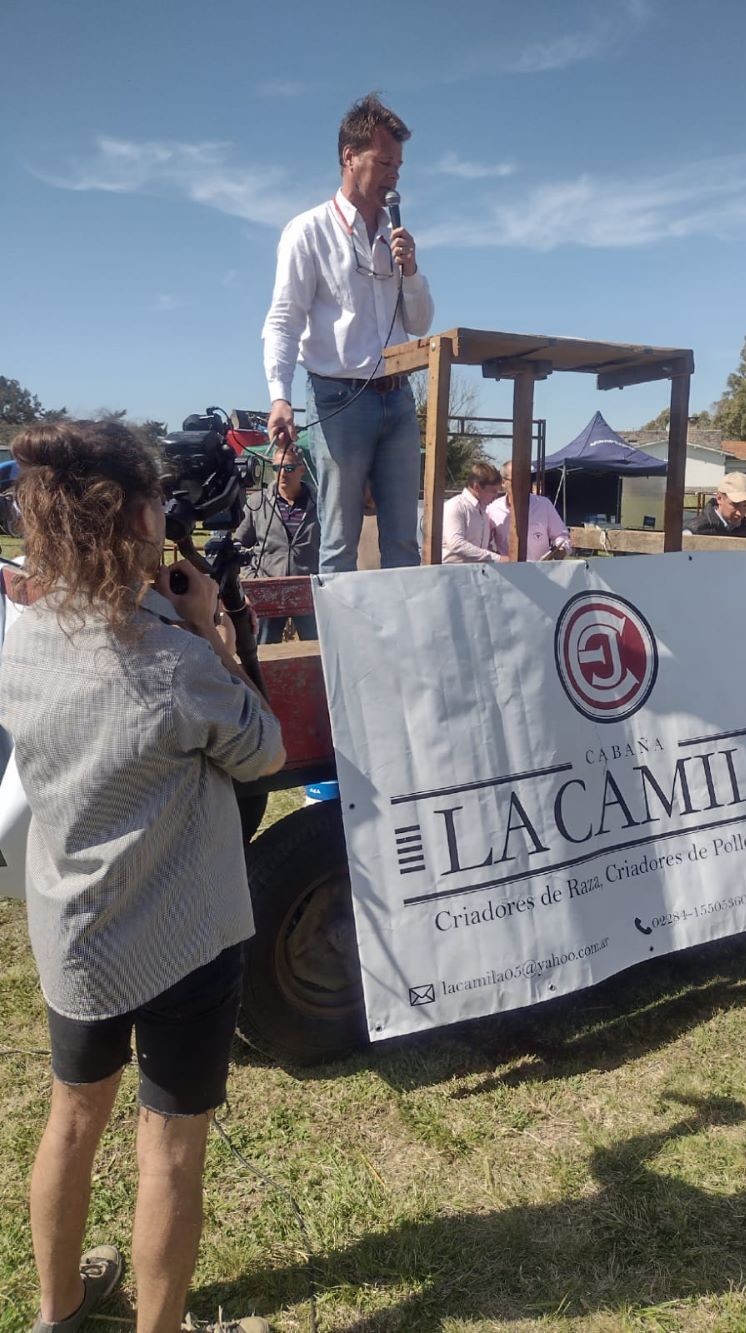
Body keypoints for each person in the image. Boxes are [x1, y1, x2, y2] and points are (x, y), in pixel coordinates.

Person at [0, 421, 285, 1333]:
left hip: (75, 931)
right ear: (131, 519)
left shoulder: (23, 639)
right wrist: (212, 632)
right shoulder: (172, 664)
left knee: (72, 1120)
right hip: (183, 936)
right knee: (169, 1150)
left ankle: (58, 1312)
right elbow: (264, 752)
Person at [262, 92, 433, 574]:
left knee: (404, 542)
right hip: (337, 399)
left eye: (399, 166)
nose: (394, 175)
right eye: (384, 162)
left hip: (399, 397)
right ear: (348, 157)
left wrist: (413, 270)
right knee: (339, 542)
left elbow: (420, 324)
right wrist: (279, 396)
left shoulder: (396, 235)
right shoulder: (308, 231)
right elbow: (283, 319)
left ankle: (404, 646)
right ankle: (341, 650)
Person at [234, 441, 320, 642]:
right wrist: (252, 580)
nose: (282, 473)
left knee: (318, 650)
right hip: (266, 591)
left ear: (302, 470)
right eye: (277, 468)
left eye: (288, 468)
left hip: (308, 591)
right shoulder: (257, 503)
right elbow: (238, 544)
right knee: (263, 651)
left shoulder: (320, 503)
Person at [486, 461, 572, 560]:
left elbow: (561, 534)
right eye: (516, 480)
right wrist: (497, 558)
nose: (522, 484)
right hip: (507, 572)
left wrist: (561, 548)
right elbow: (484, 544)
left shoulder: (543, 505)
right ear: (503, 482)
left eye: (525, 479)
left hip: (541, 571)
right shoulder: (493, 509)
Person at [442, 463, 507, 564]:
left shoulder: (483, 511)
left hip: (476, 573)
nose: (496, 496)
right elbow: (456, 544)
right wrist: (498, 558)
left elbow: (481, 548)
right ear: (477, 487)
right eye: (493, 491)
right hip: (452, 573)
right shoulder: (456, 506)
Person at [685, 472, 746, 538]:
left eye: (745, 505)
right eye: (735, 505)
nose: (740, 513)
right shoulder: (694, 531)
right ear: (719, 498)